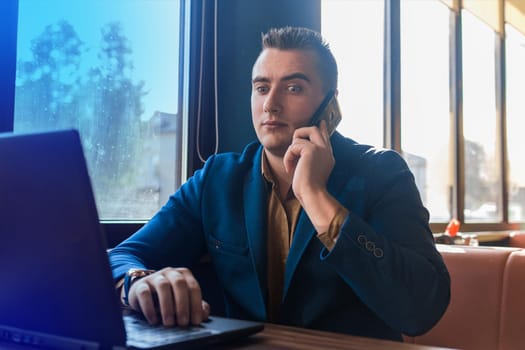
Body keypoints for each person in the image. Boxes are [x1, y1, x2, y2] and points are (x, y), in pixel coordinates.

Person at [109, 26, 450, 341]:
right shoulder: (218, 178)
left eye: (293, 87)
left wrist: (316, 198)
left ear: (330, 104)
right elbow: (123, 254)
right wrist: (137, 281)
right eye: (261, 88)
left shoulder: (381, 173)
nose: (270, 104)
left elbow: (422, 308)